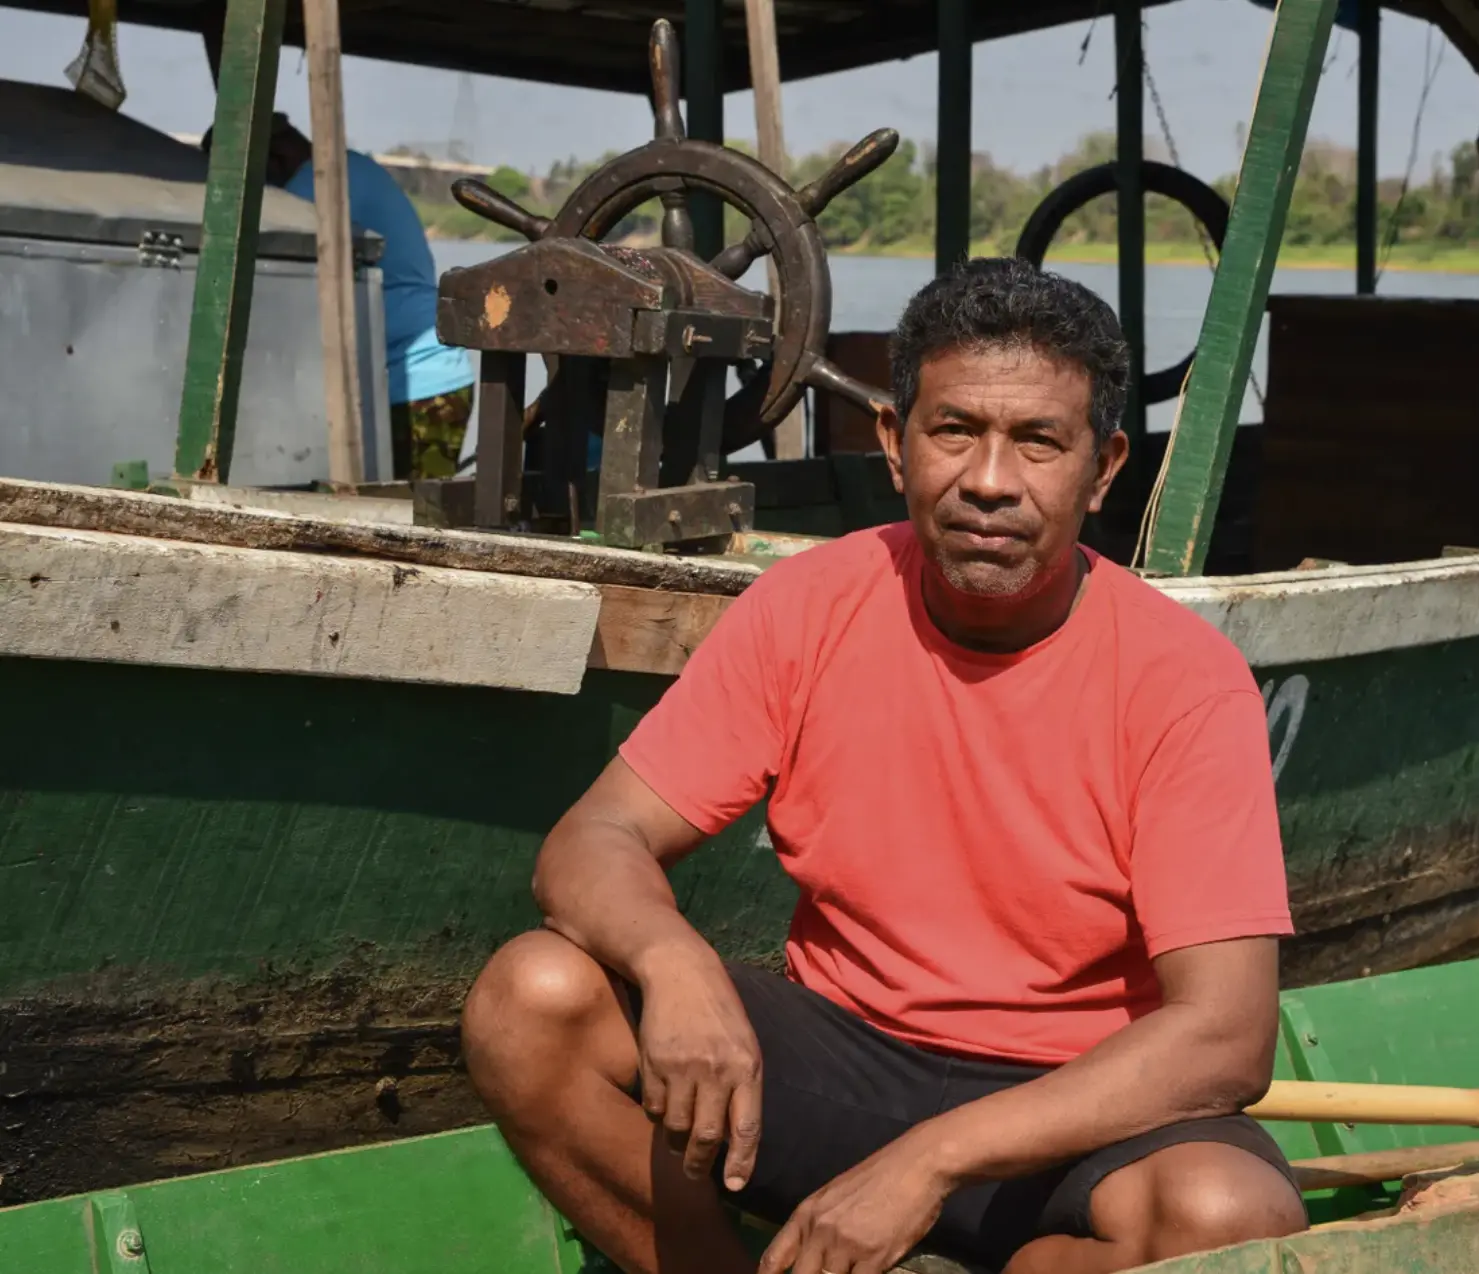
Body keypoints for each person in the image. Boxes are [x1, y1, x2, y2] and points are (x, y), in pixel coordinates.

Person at [461, 257, 1304, 1274]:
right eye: (954, 430)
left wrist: (930, 1161)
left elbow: (1225, 1033)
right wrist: (672, 962)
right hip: (842, 1065)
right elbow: (596, 837)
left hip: (1068, 1099)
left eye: (1038, 441)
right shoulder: (807, 605)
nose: (990, 480)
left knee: (1226, 1215)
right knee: (531, 999)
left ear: (1104, 466)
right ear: (893, 444)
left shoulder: (1182, 680)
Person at [207, 114, 477, 480]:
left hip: (419, 380)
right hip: (412, 375)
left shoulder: (317, 185)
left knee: (417, 520)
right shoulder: (349, 169)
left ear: (276, 158)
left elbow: (266, 266)